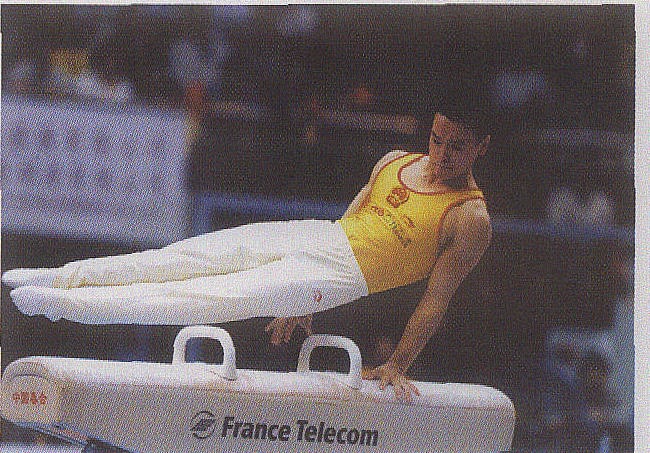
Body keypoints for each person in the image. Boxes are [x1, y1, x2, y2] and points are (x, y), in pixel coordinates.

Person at [3, 103, 492, 401]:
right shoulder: (395, 160)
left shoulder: (469, 218)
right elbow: (352, 218)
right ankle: (60, 276)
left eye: (457, 146)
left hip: (341, 277)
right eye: (437, 139)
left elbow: (436, 300)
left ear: (481, 147)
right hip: (317, 236)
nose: (442, 154)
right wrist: (302, 308)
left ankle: (64, 306)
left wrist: (398, 364)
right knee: (185, 257)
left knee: (200, 299)